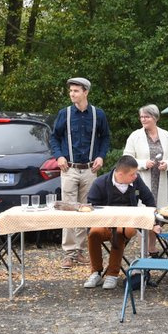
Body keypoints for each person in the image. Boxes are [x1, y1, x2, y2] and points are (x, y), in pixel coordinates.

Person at [50, 77, 110, 269]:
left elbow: (105, 138)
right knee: (68, 210)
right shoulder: (65, 113)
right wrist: (59, 156)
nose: (72, 94)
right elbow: (54, 138)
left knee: (85, 210)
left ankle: (80, 251)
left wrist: (101, 156)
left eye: (76, 91)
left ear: (86, 92)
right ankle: (69, 253)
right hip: (69, 168)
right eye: (71, 91)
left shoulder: (98, 114)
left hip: (90, 169)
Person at [83, 155, 162, 290]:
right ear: (120, 174)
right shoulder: (100, 183)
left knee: (119, 233)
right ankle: (96, 272)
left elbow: (149, 200)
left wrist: (155, 222)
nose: (135, 176)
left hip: (127, 226)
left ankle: (112, 274)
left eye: (136, 173)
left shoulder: (137, 181)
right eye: (132, 174)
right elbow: (91, 207)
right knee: (93, 233)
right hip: (104, 223)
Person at [123, 104, 168, 208]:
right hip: (142, 179)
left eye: (147, 117)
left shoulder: (166, 135)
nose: (143, 119)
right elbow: (126, 158)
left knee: (160, 210)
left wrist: (167, 164)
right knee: (144, 209)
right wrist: (143, 163)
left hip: (160, 178)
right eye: (141, 117)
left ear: (155, 118)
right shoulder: (135, 136)